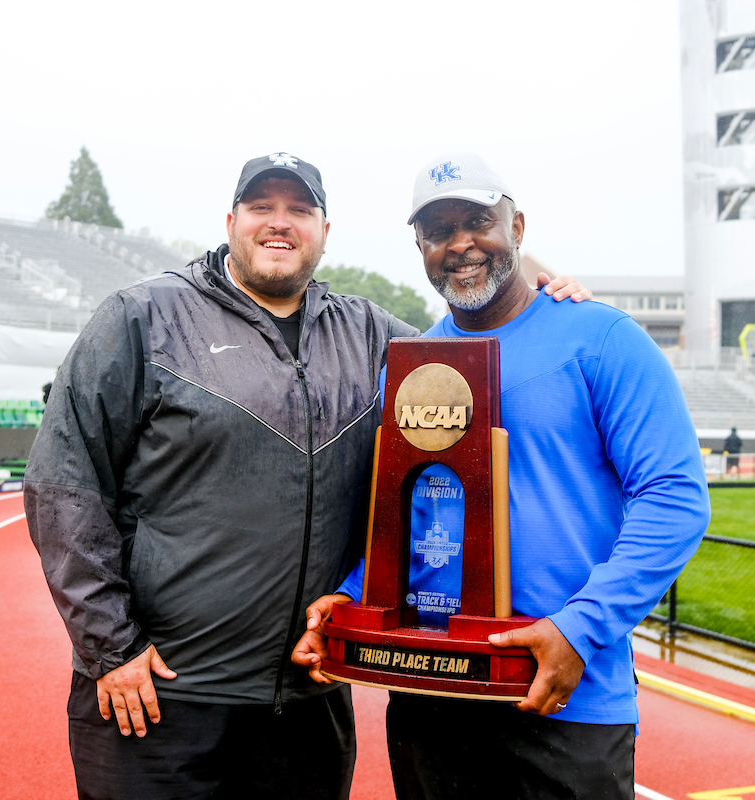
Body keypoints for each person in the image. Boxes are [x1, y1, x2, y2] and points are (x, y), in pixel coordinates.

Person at [24, 152, 590, 800]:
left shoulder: (371, 333)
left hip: (306, 706)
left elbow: (473, 357)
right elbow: (64, 485)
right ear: (231, 220)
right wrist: (111, 648)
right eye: (262, 207)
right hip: (163, 696)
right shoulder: (142, 318)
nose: (279, 223)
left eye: (299, 209)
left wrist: (542, 285)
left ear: (325, 231)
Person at [294, 153, 710, 800]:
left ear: (518, 229)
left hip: (560, 693)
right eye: (438, 231)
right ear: (420, 247)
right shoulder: (410, 363)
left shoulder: (602, 339)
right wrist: (354, 596)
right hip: (431, 690)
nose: (460, 244)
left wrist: (581, 629)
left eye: (478, 221)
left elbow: (675, 498)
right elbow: (412, 511)